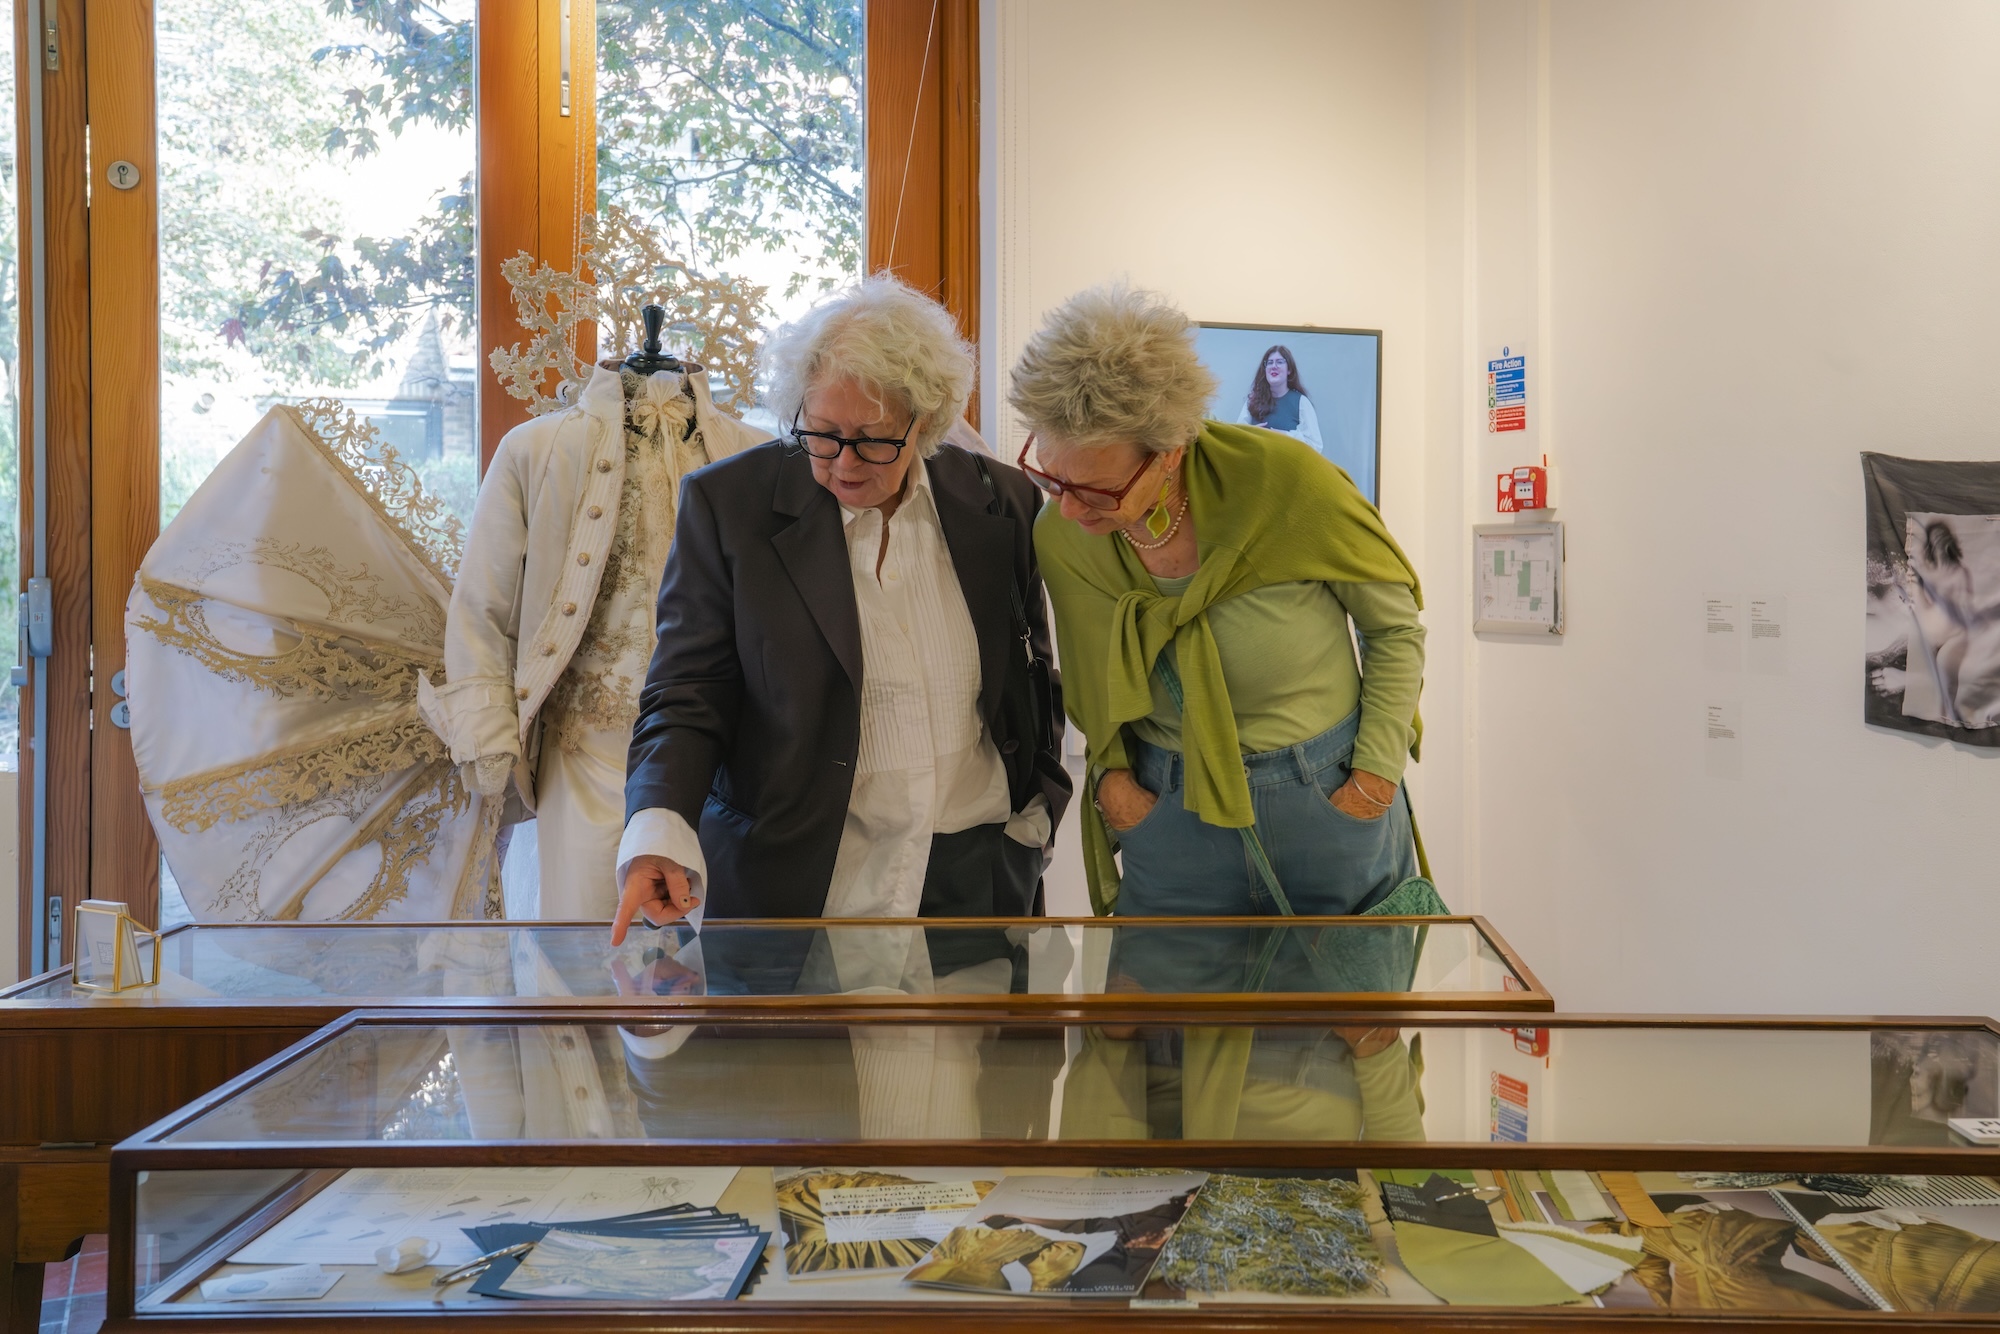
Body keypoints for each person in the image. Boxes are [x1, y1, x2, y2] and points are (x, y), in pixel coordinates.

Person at [612, 274, 1071, 948]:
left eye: (875, 439)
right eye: (822, 434)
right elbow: (688, 692)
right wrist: (657, 826)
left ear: (926, 421)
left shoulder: (1000, 501)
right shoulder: (730, 506)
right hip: (802, 879)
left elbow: (1032, 679)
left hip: (977, 875)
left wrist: (1040, 810)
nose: (844, 464)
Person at [1010, 282, 1426, 926]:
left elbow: (1394, 630)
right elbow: (1089, 674)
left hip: (1326, 794)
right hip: (1166, 808)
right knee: (1163, 992)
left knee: (1346, 989)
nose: (1068, 509)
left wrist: (1373, 779)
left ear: (1170, 451)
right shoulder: (1063, 535)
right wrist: (1116, 784)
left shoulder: (1288, 481)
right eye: (1051, 478)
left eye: (1097, 490)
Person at [1236, 343, 1323, 450]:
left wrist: (1284, 436)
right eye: (1270, 363)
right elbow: (1237, 438)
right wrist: (1252, 433)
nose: (1274, 366)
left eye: (1279, 362)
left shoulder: (1301, 402)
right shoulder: (1252, 401)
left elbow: (1315, 445)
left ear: (1289, 370)